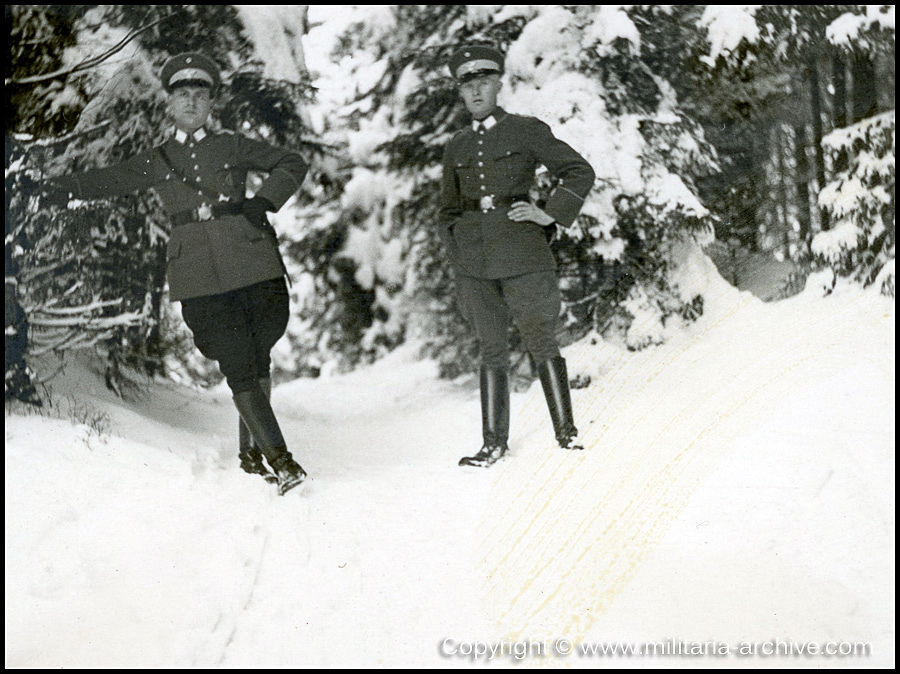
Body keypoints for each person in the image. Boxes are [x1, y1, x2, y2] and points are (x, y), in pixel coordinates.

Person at [43, 52, 308, 495]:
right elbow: (107, 179)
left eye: (198, 95)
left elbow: (291, 162)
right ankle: (282, 462)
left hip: (250, 259)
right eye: (181, 95)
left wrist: (263, 201)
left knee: (256, 352)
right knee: (235, 358)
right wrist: (53, 188)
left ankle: (251, 452)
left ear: (210, 103)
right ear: (169, 103)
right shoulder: (157, 159)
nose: (190, 103)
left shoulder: (232, 145)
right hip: (198, 273)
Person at [439, 46, 596, 467]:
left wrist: (549, 213)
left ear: (498, 85)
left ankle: (567, 434)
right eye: (467, 85)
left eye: (483, 82)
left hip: (523, 252)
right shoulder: (455, 145)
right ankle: (493, 445)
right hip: (474, 261)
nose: (475, 91)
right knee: (490, 347)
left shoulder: (525, 130)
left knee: (540, 339)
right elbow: (447, 209)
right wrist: (457, 249)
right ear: (460, 92)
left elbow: (579, 171)